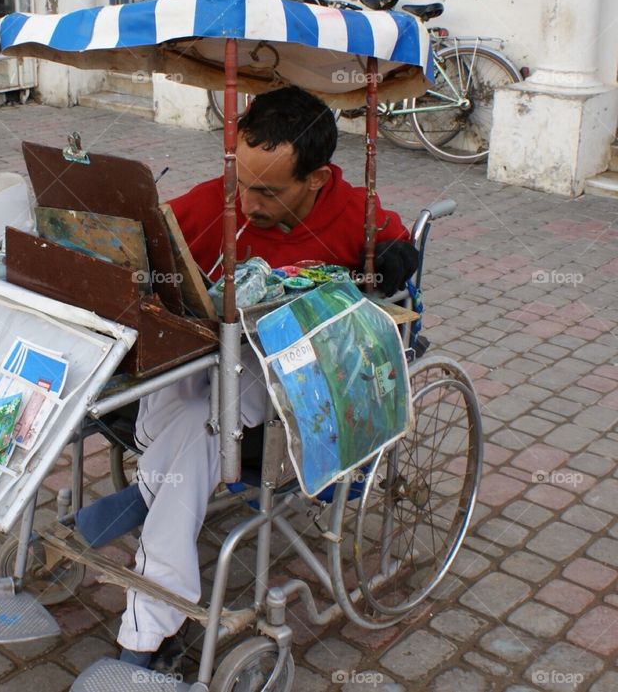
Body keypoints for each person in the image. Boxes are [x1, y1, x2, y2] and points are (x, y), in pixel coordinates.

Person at [74, 86, 419, 669]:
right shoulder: (217, 202)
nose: (248, 203)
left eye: (267, 191)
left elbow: (397, 244)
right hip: (208, 356)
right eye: (242, 183)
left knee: (198, 421)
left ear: (315, 179)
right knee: (173, 390)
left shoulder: (353, 212)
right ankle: (160, 490)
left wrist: (395, 259)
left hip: (287, 372)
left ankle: (147, 626)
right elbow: (143, 237)